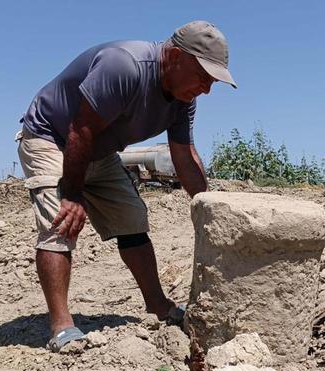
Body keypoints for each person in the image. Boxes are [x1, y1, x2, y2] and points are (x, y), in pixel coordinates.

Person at [16, 21, 236, 352]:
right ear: (175, 57)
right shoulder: (124, 65)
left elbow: (184, 155)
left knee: (133, 220)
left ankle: (159, 306)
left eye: (213, 81)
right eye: (203, 76)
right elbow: (80, 128)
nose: (206, 89)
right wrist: (73, 196)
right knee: (60, 224)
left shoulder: (181, 99)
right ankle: (61, 327)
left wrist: (207, 207)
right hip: (53, 137)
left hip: (97, 149)